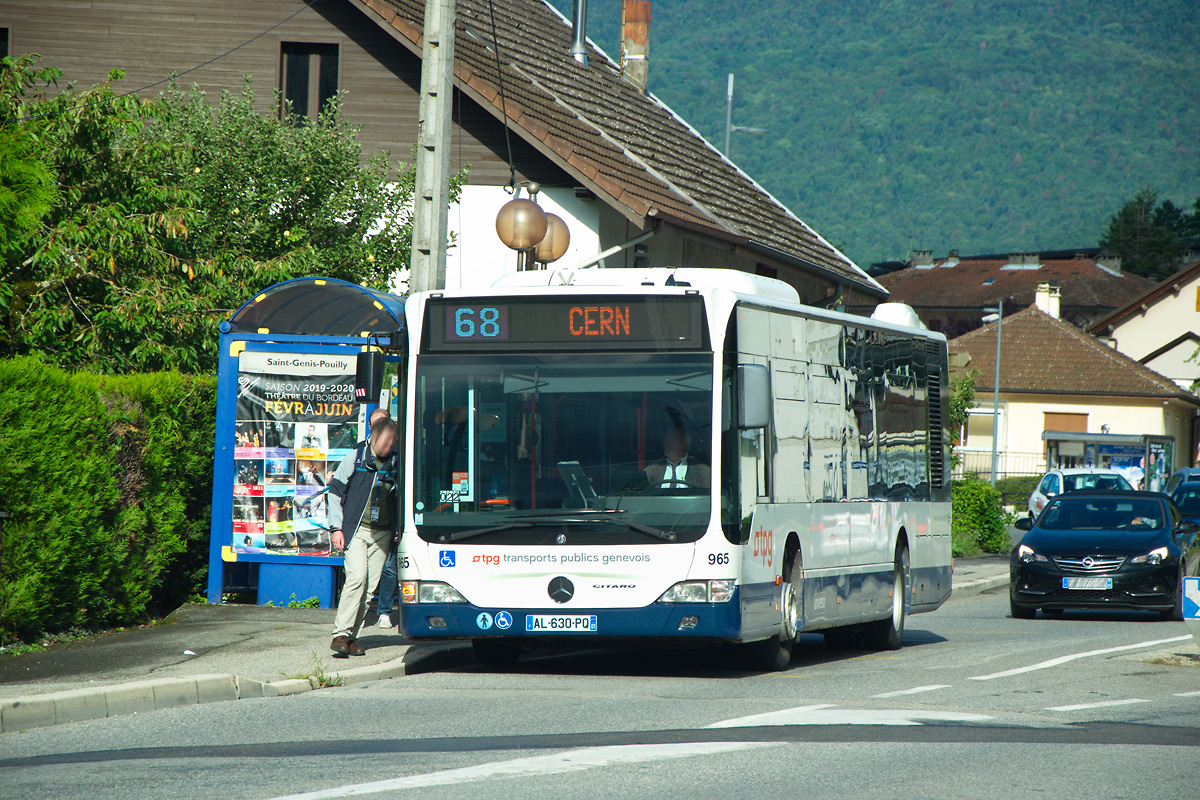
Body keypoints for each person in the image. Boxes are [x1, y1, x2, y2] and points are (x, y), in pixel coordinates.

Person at [328, 412, 399, 657]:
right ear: (374, 437)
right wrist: (336, 528)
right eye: (387, 442)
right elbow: (335, 493)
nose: (390, 446)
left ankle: (351, 637)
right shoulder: (355, 457)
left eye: (393, 442)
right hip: (356, 531)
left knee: (369, 591)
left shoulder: (397, 463)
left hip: (383, 535)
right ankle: (340, 633)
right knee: (356, 579)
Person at [643, 428, 710, 489]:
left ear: (684, 445)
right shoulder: (654, 467)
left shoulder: (702, 470)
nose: (667, 442)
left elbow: (707, 498)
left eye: (672, 439)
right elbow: (638, 487)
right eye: (666, 439)